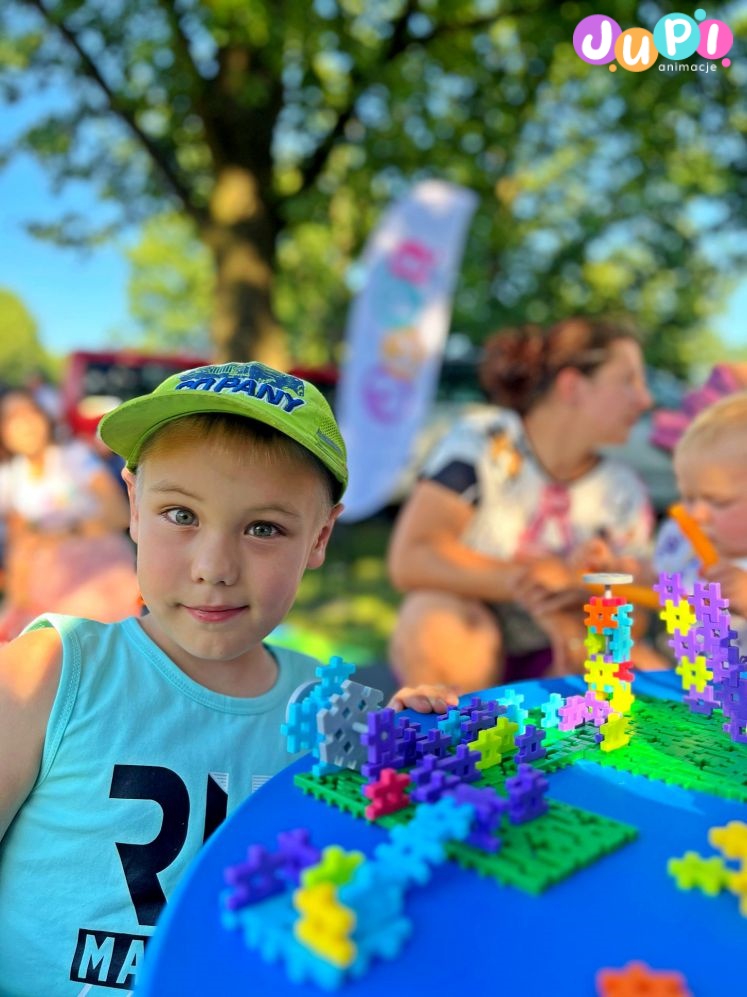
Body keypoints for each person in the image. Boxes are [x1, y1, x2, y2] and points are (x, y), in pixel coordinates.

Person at [0, 361, 455, 996]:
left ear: (320, 536)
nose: (214, 567)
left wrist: (414, 746)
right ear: (133, 505)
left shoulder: (336, 707)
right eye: (180, 514)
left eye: (264, 528)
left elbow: (384, 867)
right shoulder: (47, 672)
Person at [387, 318, 662, 694]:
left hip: (561, 652)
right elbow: (413, 557)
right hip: (471, 641)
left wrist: (581, 594)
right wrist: (538, 583)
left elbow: (638, 619)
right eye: (629, 380)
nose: (646, 400)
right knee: (435, 615)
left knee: (636, 666)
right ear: (572, 386)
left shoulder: (624, 490)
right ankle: (453, 726)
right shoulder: (485, 442)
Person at [0, 388, 140, 640]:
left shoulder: (75, 458)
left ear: (45, 417)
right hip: (47, 582)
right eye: (12, 417)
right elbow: (18, 545)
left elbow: (119, 514)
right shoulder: (11, 479)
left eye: (30, 412)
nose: (25, 424)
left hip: (99, 573)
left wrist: (62, 532)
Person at [655, 390, 747, 642]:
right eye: (689, 498)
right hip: (682, 660)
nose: (696, 515)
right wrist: (623, 570)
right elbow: (657, 580)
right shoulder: (681, 541)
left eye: (718, 501)